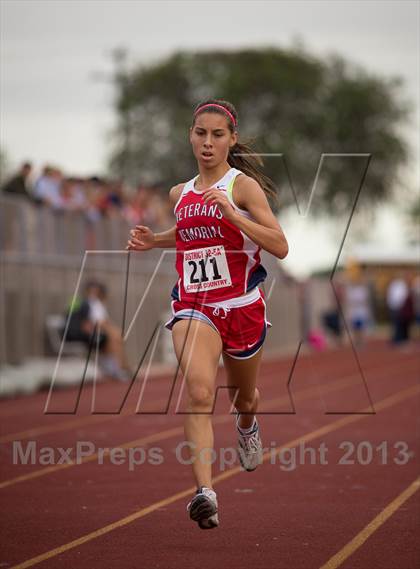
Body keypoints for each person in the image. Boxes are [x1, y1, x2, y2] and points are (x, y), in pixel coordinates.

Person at [127, 99, 288, 529]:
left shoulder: (243, 187)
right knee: (199, 391)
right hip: (194, 305)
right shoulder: (179, 193)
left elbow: (280, 245)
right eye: (201, 133)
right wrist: (155, 240)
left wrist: (233, 214)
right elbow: (189, 233)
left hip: (242, 307)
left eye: (217, 135)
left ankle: (248, 425)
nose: (208, 142)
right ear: (191, 135)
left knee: (243, 398)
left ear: (231, 140)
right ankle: (205, 493)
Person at [64, 281, 131, 381]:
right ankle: (121, 369)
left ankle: (120, 369)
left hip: (88, 332)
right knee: (114, 338)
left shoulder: (92, 303)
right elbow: (77, 320)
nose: (94, 294)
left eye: (96, 292)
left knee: (114, 338)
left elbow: (99, 321)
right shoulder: (82, 302)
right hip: (78, 334)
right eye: (92, 291)